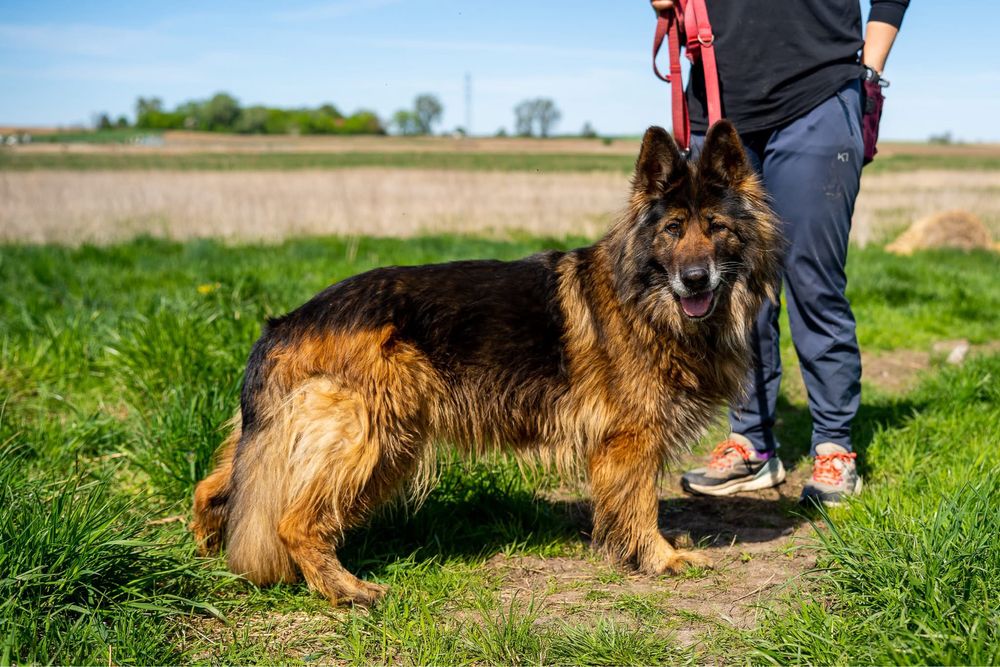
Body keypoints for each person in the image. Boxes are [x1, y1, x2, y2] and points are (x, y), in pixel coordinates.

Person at [647, 0, 909, 505]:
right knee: (730, 286)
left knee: (814, 279)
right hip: (719, 103)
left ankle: (834, 446)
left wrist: (870, 71)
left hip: (819, 93)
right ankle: (751, 443)